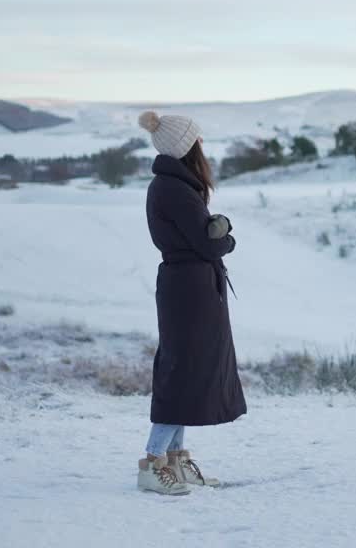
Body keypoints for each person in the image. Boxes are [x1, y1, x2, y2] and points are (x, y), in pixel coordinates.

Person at [135, 111, 246, 496]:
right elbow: (207, 242)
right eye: (197, 140)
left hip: (191, 286)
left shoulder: (176, 186)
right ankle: (152, 462)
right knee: (181, 371)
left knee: (187, 368)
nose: (202, 146)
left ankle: (175, 459)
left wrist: (214, 232)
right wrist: (225, 235)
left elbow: (200, 237)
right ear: (186, 147)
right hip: (189, 290)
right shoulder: (173, 189)